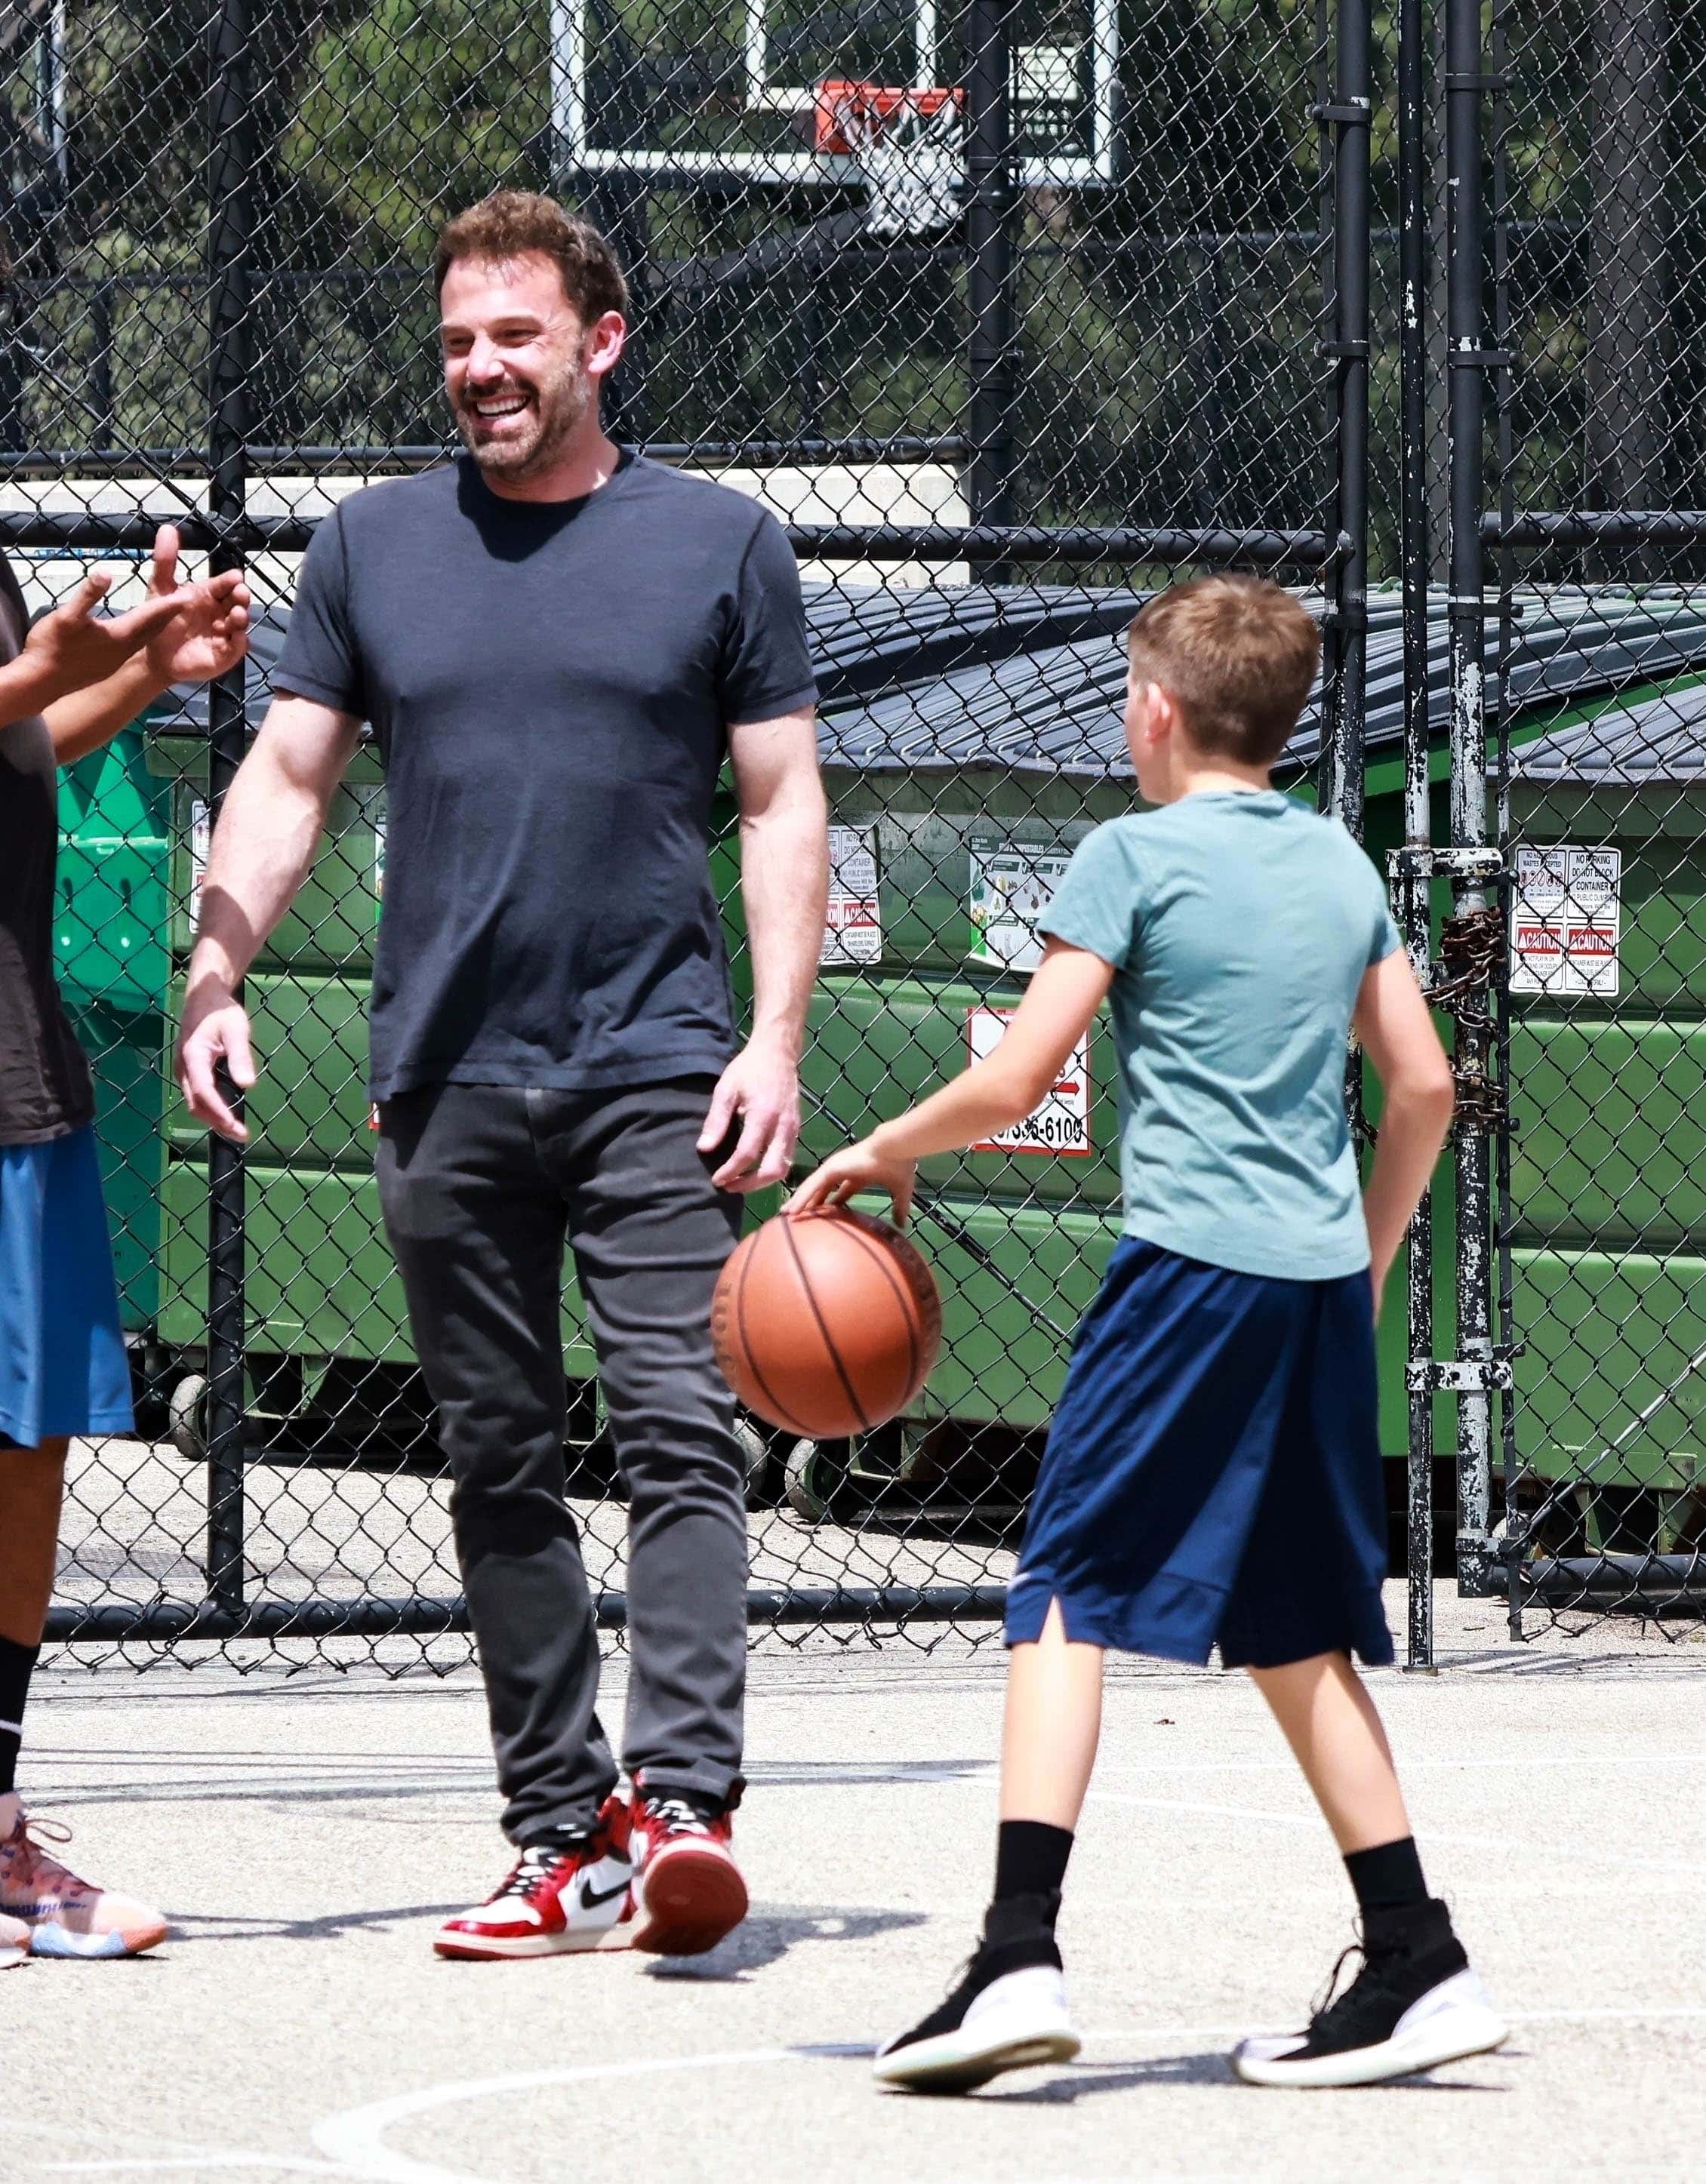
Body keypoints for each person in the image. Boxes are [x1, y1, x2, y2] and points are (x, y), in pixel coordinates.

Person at [177, 192, 827, 1962]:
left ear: (599, 342)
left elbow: (779, 802)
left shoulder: (722, 544)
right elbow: (289, 777)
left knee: (686, 1433)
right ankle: (563, 1837)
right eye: (459, 339)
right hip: (446, 1074)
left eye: (515, 336)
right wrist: (214, 969)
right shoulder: (374, 545)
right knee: (498, 1466)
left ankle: (680, 1804)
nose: (480, 368)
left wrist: (775, 1038)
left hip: (656, 1068)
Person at [790, 574, 1507, 2090]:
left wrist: (886, 1146)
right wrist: (1363, 1262)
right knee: (1293, 1621)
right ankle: (1411, 1951)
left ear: (1157, 712)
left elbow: (1012, 1078)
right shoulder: (1335, 861)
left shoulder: (1129, 853)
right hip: (1312, 1286)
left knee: (1063, 1586)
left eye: (1128, 692)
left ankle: (1013, 1954)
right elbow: (1424, 1087)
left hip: (1187, 1273)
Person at [1, 525, 250, 1964]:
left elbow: (14, 735)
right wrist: (33, 677)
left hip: (16, 1053)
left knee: (25, 1448)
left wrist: (139, 674)